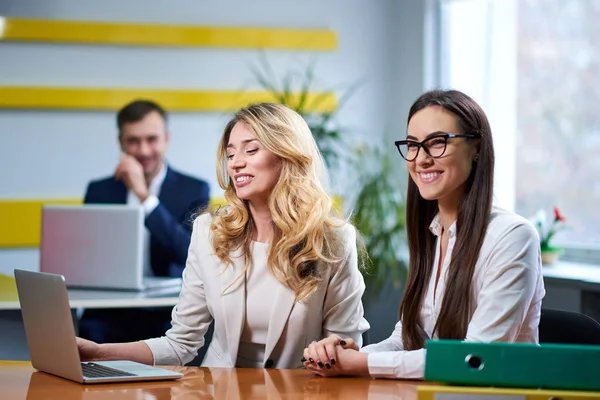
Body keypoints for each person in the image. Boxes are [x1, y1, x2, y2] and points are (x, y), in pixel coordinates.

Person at [76, 102, 370, 368]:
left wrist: (334, 349)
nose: (235, 163)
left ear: (287, 155)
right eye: (230, 153)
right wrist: (97, 353)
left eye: (251, 150)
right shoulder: (209, 233)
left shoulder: (333, 240)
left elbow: (347, 344)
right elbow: (180, 344)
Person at [302, 89, 545, 379]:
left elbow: (476, 359)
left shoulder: (513, 237)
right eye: (413, 145)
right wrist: (345, 357)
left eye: (437, 142)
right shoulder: (432, 232)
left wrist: (363, 364)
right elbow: (406, 339)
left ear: (476, 147)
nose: (421, 159)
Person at [79, 100, 211, 345]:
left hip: (166, 312)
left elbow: (188, 252)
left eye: (152, 139)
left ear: (166, 139)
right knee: (88, 335)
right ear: (121, 142)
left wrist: (144, 196)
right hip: (110, 312)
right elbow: (87, 259)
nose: (144, 150)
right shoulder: (100, 191)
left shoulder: (194, 189)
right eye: (133, 140)